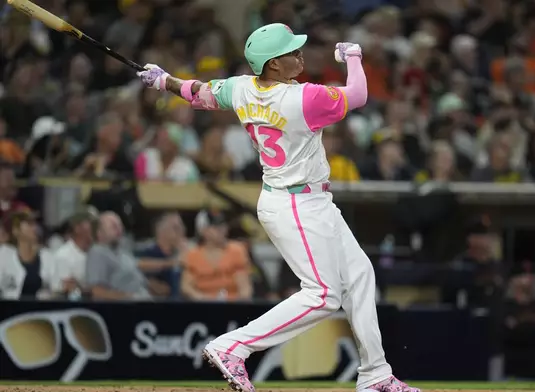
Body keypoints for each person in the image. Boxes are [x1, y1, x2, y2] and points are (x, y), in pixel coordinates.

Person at [136, 23, 418, 392]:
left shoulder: (240, 87)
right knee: (322, 294)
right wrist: (352, 55)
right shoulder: (303, 99)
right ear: (272, 65)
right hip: (296, 203)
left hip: (304, 199)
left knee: (360, 275)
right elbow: (360, 94)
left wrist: (163, 81)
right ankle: (232, 346)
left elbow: (198, 93)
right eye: (291, 52)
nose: (300, 55)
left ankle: (375, 375)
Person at [181, 209, 253, 301]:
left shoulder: (237, 250)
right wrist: (203, 299)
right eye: (215, 227)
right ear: (203, 230)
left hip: (233, 306)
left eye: (223, 225)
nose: (221, 230)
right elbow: (186, 287)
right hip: (202, 307)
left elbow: (245, 288)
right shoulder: (193, 255)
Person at [0, 209, 60, 299]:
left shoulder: (47, 256)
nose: (35, 228)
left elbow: (57, 289)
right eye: (29, 224)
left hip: (41, 310)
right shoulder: (4, 256)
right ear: (15, 230)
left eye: (35, 224)